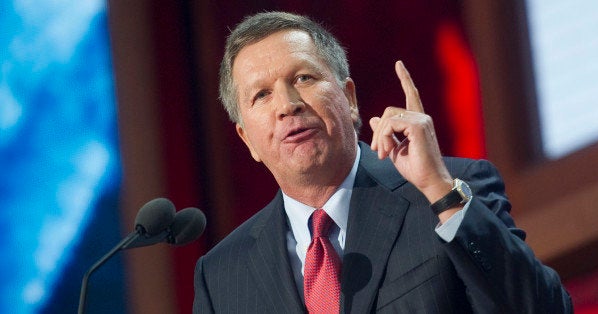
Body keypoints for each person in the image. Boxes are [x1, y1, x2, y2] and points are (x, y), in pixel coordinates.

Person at [193, 11, 573, 313]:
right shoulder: (223, 278)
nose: (287, 105)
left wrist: (439, 191)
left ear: (350, 99)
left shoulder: (451, 190)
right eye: (261, 95)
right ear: (247, 140)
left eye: (304, 77)